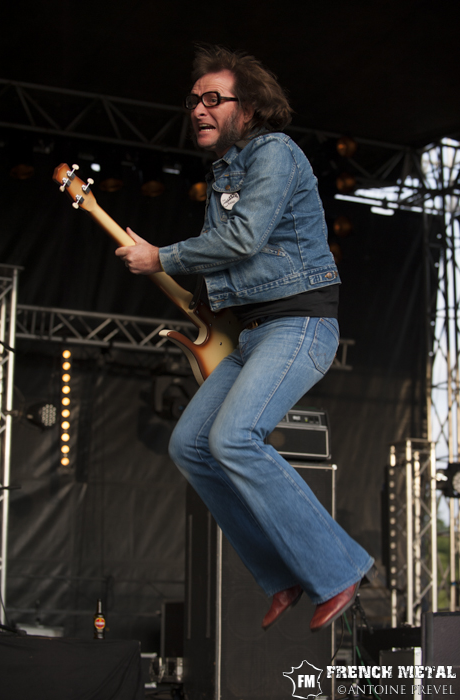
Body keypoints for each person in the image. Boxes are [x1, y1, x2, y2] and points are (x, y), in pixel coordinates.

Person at [115, 45, 374, 632]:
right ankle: (281, 572)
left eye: (214, 98)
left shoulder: (275, 152)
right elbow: (230, 267)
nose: (198, 109)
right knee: (190, 445)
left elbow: (244, 240)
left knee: (233, 437)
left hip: (299, 324)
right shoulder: (223, 173)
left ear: (250, 108)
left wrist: (161, 256)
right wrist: (185, 286)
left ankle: (338, 569)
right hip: (250, 334)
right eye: (193, 100)